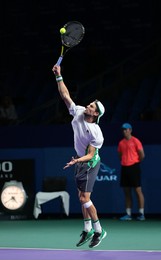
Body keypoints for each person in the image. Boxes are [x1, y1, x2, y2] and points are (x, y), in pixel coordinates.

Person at [52, 64, 107, 248]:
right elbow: (65, 96)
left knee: (85, 198)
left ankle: (99, 230)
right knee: (80, 196)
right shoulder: (78, 112)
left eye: (91, 106)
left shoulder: (95, 131)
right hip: (79, 159)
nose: (87, 105)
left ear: (95, 113)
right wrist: (59, 76)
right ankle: (87, 228)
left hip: (90, 162)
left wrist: (77, 160)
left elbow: (91, 155)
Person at [117, 123, 145, 221]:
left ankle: (141, 213)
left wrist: (134, 162)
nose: (124, 131)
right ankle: (128, 214)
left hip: (134, 167)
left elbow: (142, 155)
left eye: (126, 129)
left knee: (138, 191)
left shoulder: (136, 141)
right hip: (125, 168)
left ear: (130, 130)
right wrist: (126, 161)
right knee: (127, 191)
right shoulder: (121, 143)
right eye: (123, 130)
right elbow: (120, 155)